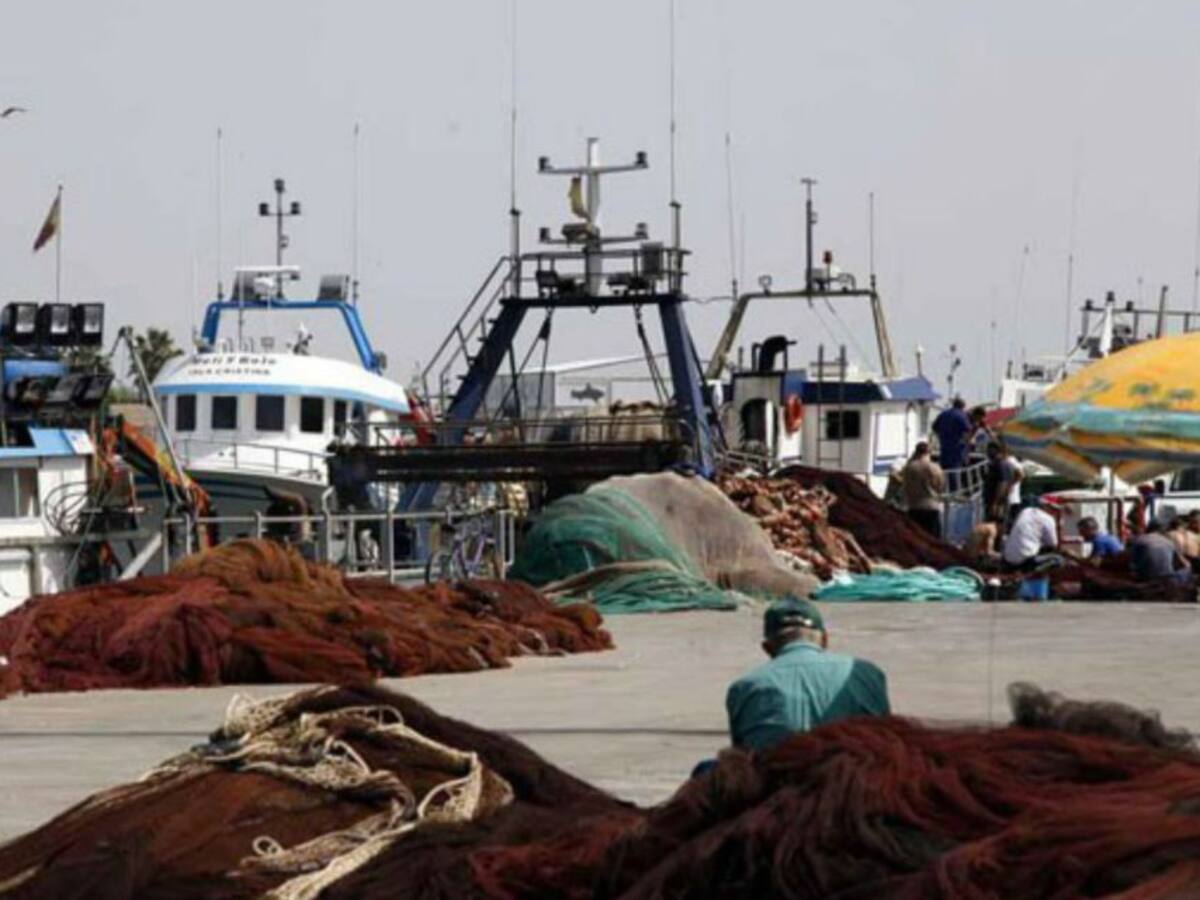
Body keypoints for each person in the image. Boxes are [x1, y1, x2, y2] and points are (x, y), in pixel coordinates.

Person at [726, 599, 890, 752]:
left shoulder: (746, 687)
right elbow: (889, 741)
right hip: (856, 771)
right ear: (825, 640)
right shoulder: (867, 673)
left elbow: (740, 756)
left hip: (779, 772)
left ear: (767, 648)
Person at [900, 442, 945, 537]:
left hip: (914, 508)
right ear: (928, 453)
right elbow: (940, 488)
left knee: (915, 539)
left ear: (916, 452)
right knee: (932, 540)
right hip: (931, 508)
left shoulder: (909, 468)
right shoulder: (935, 467)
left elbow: (904, 486)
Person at [1002, 498, 1060, 571]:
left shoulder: (1026, 511)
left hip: (1008, 558)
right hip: (1025, 561)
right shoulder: (1049, 519)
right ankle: (1032, 573)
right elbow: (1053, 544)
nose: (1054, 511)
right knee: (1058, 559)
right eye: (1053, 509)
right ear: (1046, 506)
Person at [1129, 521, 1191, 585]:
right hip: (1166, 578)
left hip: (1146, 577)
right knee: (1187, 569)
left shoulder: (1139, 540)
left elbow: (1132, 563)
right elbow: (1183, 563)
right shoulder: (1168, 542)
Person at [931, 397, 972, 478]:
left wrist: (941, 436)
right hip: (957, 451)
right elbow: (967, 432)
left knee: (944, 474)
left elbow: (934, 427)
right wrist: (967, 451)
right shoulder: (962, 415)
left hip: (944, 449)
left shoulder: (943, 414)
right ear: (962, 406)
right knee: (954, 476)